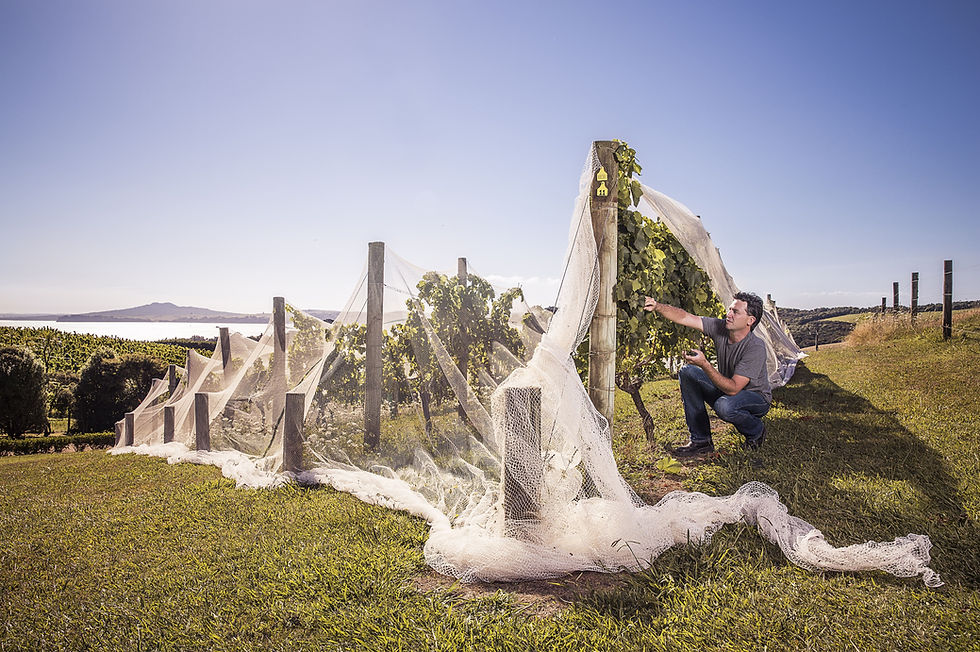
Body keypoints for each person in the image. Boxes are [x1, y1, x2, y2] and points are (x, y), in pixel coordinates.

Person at [642, 292, 771, 456]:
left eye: (735, 312)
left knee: (725, 406)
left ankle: (756, 431)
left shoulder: (755, 347)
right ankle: (701, 442)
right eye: (730, 309)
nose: (728, 314)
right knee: (688, 372)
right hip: (728, 388)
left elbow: (733, 389)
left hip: (755, 397)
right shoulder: (720, 327)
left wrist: (704, 364)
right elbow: (685, 317)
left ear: (750, 320)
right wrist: (658, 306)